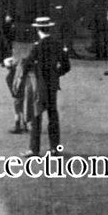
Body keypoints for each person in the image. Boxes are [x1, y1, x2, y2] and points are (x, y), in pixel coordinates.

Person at [20, 17, 69, 157]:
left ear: (38, 30)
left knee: (37, 116)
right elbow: (66, 66)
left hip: (39, 85)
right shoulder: (58, 44)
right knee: (53, 115)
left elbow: (27, 64)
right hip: (52, 84)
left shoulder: (37, 46)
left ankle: (34, 149)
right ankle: (55, 149)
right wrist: (56, 74)